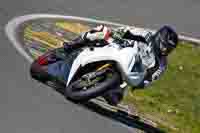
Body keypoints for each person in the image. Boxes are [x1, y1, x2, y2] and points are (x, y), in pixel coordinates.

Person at [31, 24, 178, 105]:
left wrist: (141, 83)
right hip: (116, 48)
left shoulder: (161, 64)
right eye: (165, 46)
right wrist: (114, 35)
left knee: (115, 99)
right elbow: (122, 31)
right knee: (101, 31)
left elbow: (148, 80)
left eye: (168, 49)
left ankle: (97, 86)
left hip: (126, 75)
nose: (165, 50)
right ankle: (67, 48)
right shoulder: (143, 34)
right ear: (159, 38)